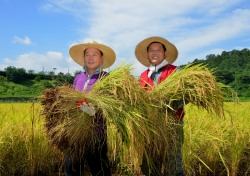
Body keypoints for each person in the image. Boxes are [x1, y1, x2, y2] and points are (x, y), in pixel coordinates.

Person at [135, 36, 185, 176]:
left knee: (174, 165)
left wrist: (164, 100)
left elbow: (185, 98)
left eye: (158, 50)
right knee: (150, 165)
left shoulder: (176, 72)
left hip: (172, 125)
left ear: (165, 53)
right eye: (151, 50)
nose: (155, 53)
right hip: (150, 126)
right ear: (147, 54)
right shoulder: (143, 76)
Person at [65, 41, 116, 176]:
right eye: (87, 54)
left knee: (99, 168)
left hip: (96, 132)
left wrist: (87, 109)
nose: (90, 58)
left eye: (95, 54)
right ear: (83, 58)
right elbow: (70, 100)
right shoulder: (77, 78)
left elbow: (109, 106)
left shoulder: (106, 79)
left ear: (102, 58)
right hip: (75, 131)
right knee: (72, 167)